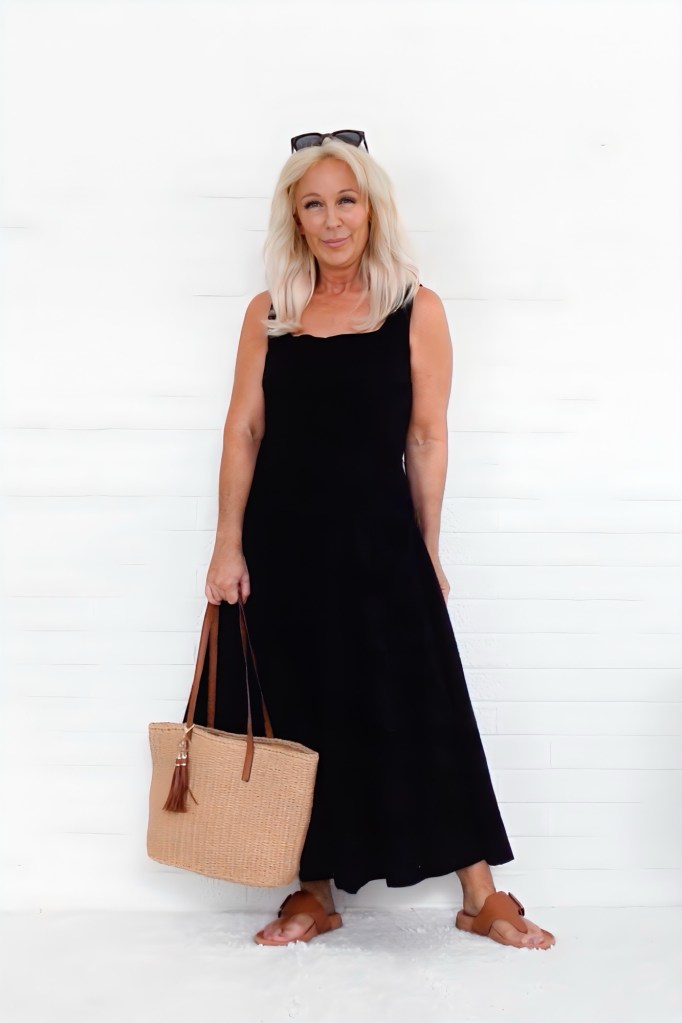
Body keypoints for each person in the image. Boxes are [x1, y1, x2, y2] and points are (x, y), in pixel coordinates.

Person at [185, 130, 555, 951]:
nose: (331, 218)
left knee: (428, 704)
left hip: (383, 539)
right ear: (295, 215)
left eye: (345, 199)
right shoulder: (269, 311)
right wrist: (227, 543)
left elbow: (426, 437)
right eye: (313, 203)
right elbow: (243, 429)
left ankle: (481, 892)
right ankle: (313, 891)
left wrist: (428, 548)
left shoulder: (417, 306)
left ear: (372, 207)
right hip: (285, 544)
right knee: (301, 707)